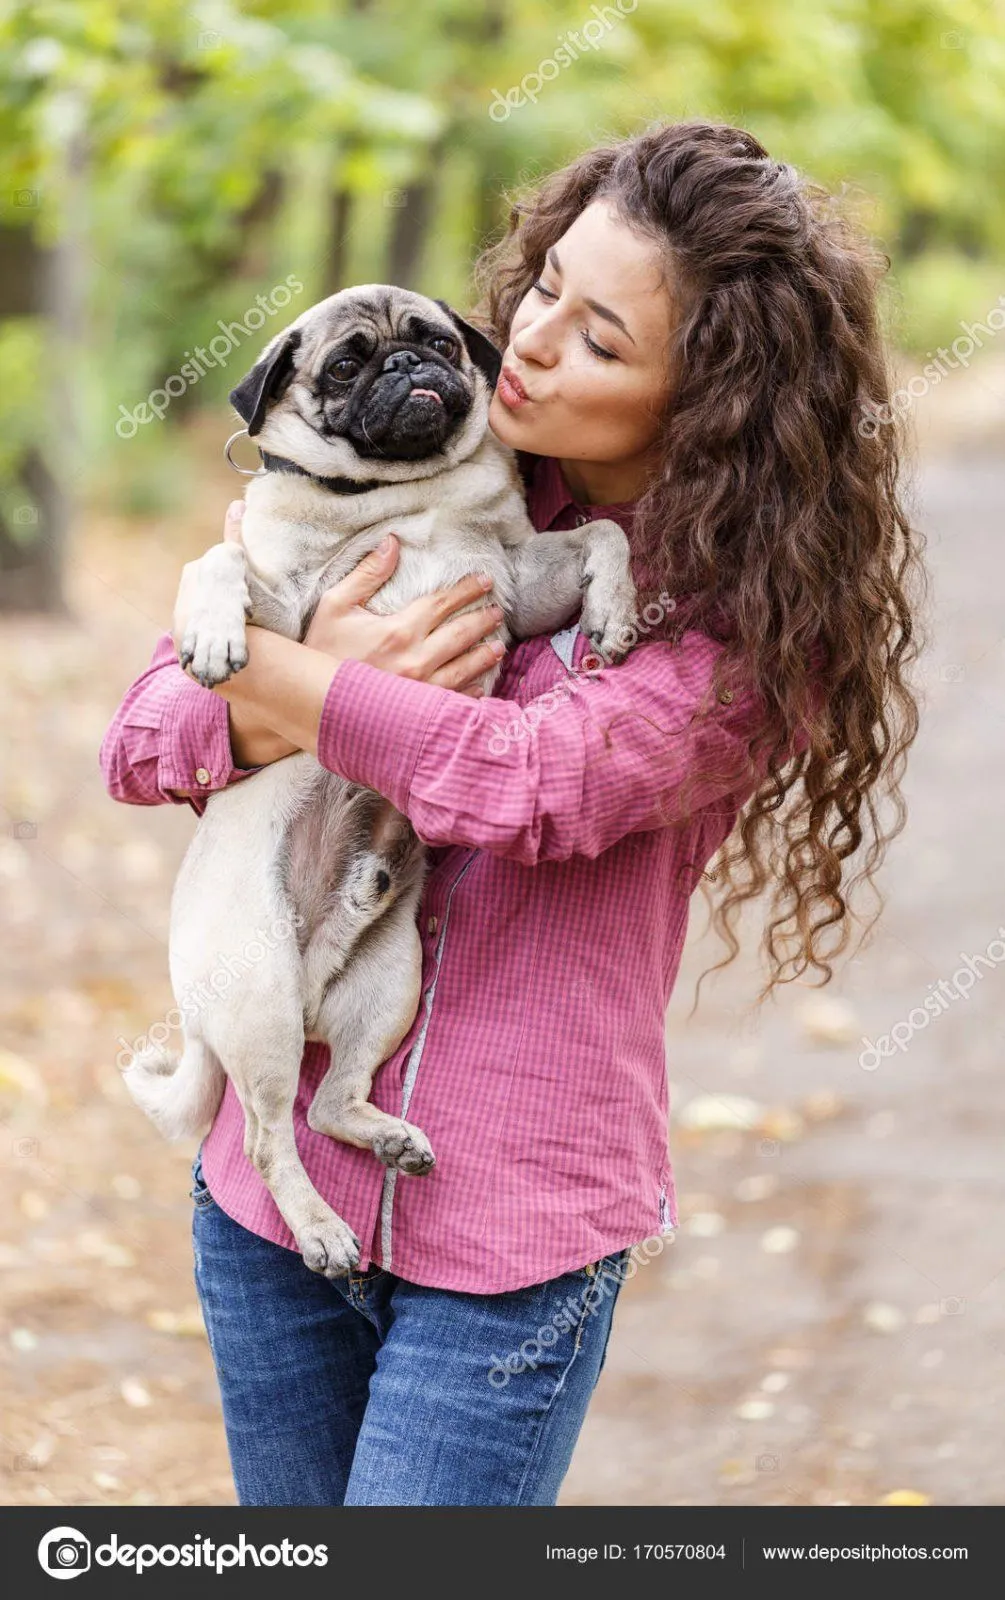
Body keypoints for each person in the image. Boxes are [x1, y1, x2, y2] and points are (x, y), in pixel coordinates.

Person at [98, 120, 925, 1506]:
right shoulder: (404, 479)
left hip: (512, 1247)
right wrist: (283, 693)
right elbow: (141, 742)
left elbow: (532, 784)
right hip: (274, 1189)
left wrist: (308, 679)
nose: (530, 342)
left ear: (712, 395)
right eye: (544, 289)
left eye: (602, 340)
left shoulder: (745, 627)